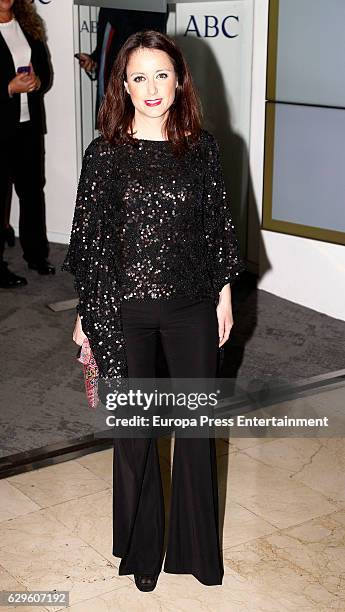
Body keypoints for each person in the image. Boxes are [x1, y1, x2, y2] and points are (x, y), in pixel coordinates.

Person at [62, 30, 246, 591]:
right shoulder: (104, 155)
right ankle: (142, 553)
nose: (151, 87)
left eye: (161, 74)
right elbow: (89, 242)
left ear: (178, 79)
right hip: (123, 313)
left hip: (192, 305)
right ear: (122, 83)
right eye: (138, 75)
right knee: (135, 435)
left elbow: (217, 229)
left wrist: (224, 295)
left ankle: (195, 553)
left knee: (194, 429)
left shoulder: (203, 148)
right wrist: (84, 317)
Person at [0, 0, 54, 289]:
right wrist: (8, 88)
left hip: (29, 126)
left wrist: (36, 82)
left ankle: (36, 255)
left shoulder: (28, 25)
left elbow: (45, 71)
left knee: (33, 191)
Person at [77, 7, 167, 124]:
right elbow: (105, 47)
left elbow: (144, 44)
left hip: (133, 101)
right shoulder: (106, 7)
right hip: (107, 96)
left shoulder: (149, 6)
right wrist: (94, 62)